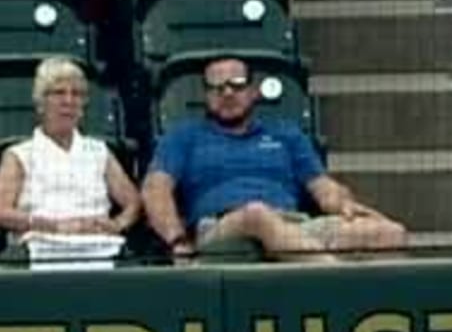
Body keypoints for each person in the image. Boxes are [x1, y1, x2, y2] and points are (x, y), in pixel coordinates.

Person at [141, 58, 403, 258]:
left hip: (292, 225)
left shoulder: (286, 133)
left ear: (253, 91)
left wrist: (342, 203)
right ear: (206, 96)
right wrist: (176, 240)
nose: (228, 93)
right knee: (257, 213)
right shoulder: (184, 136)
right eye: (217, 88)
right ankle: (333, 280)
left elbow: (322, 187)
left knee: (389, 233)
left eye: (237, 85)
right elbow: (155, 190)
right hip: (221, 228)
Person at [0, 57, 140, 244]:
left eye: (77, 94)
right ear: (41, 103)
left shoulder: (99, 152)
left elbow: (134, 202)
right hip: (42, 247)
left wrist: (117, 224)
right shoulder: (20, 155)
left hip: (97, 247)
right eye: (59, 93)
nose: (69, 101)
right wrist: (53, 226)